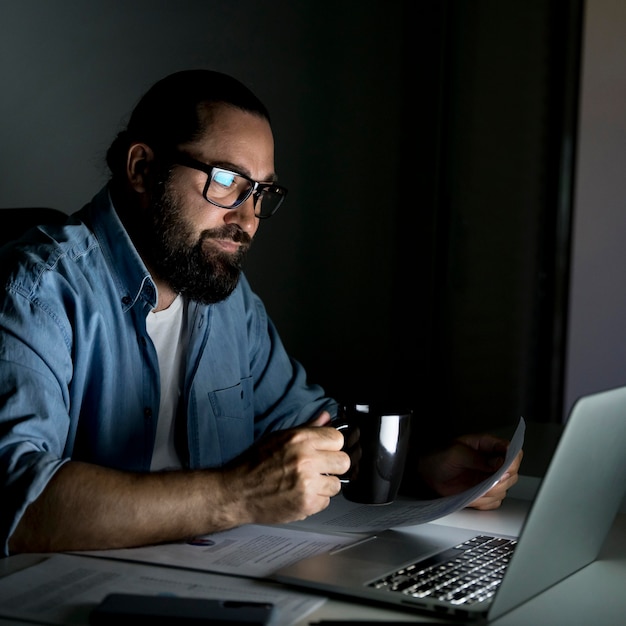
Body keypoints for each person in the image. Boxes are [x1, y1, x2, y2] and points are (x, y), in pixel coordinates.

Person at [0, 69, 522, 557]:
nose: (247, 218)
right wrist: (240, 494)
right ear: (142, 168)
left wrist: (421, 468)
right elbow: (17, 502)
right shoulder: (35, 291)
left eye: (261, 191)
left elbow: (313, 430)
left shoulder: (227, 297)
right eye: (226, 180)